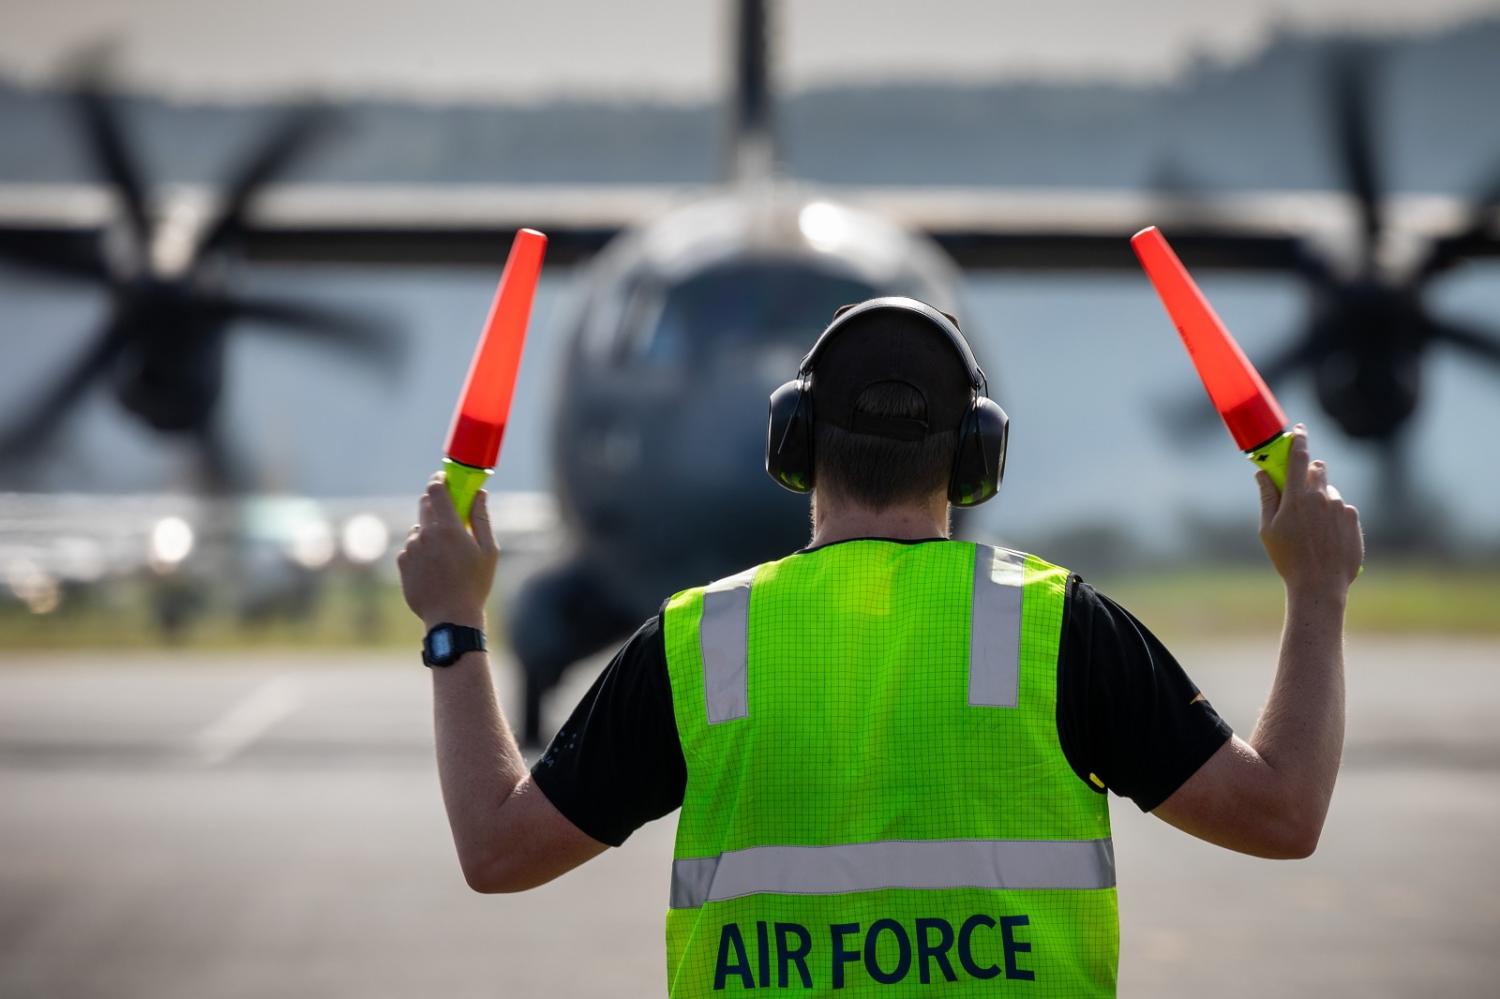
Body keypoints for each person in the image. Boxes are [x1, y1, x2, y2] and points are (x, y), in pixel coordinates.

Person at [397, 297, 1364, 997]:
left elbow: (498, 849)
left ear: (794, 446)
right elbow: (1281, 814)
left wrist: (455, 621)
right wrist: (1316, 592)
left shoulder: (700, 641)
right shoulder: (1057, 627)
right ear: (978, 457)